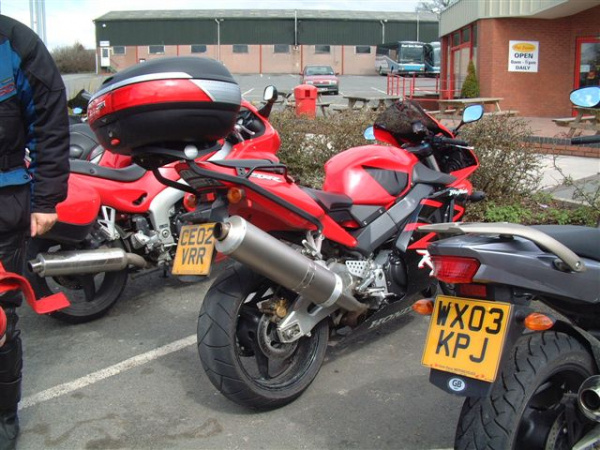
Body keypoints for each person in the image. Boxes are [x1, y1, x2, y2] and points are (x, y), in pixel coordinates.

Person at [0, 14, 70, 450]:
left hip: (4, 200)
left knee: (0, 317)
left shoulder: (15, 43)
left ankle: (4, 415)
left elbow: (49, 119)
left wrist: (45, 200)